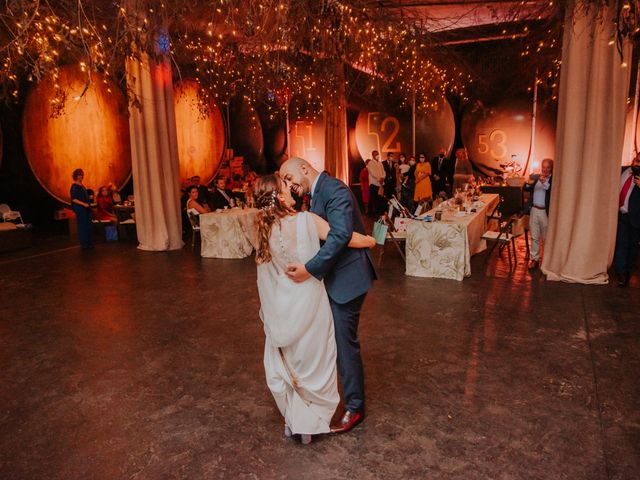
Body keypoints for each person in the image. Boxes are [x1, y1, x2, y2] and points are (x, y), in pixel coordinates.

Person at [254, 173, 375, 444]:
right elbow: (343, 237)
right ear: (281, 197)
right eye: (286, 186)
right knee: (315, 362)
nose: (292, 188)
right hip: (310, 299)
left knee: (294, 362)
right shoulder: (307, 220)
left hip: (284, 303)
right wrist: (369, 241)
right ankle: (310, 422)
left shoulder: (265, 230)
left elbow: (267, 275)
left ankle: (294, 421)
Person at [613, 155, 640, 287]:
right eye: (636, 160)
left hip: (635, 217)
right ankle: (621, 273)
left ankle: (628, 272)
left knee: (632, 247)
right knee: (621, 243)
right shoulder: (623, 170)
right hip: (621, 214)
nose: (636, 163)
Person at [524, 158, 554, 270]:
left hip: (545, 212)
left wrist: (543, 181)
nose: (545, 170)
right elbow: (526, 188)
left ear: (551, 168)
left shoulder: (552, 180)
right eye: (544, 167)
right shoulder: (536, 177)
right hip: (534, 210)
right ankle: (535, 260)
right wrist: (528, 183)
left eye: (548, 167)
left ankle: (546, 261)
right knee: (535, 237)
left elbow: (549, 189)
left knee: (546, 238)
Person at [70, 168, 93, 249]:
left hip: (86, 208)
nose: (81, 176)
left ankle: (89, 243)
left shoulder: (81, 185)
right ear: (76, 176)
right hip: (81, 209)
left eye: (82, 174)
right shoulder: (74, 186)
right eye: (80, 175)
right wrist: (83, 204)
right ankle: (84, 244)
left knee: (88, 225)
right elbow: (74, 199)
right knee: (83, 226)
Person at [366, 150, 385, 216]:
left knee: (380, 198)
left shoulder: (380, 163)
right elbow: (372, 173)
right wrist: (379, 178)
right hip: (374, 183)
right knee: (373, 199)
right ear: (373, 155)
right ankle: (373, 213)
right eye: (376, 154)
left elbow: (383, 172)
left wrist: (383, 177)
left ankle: (379, 212)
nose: (377, 155)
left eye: (378, 154)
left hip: (380, 183)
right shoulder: (370, 163)